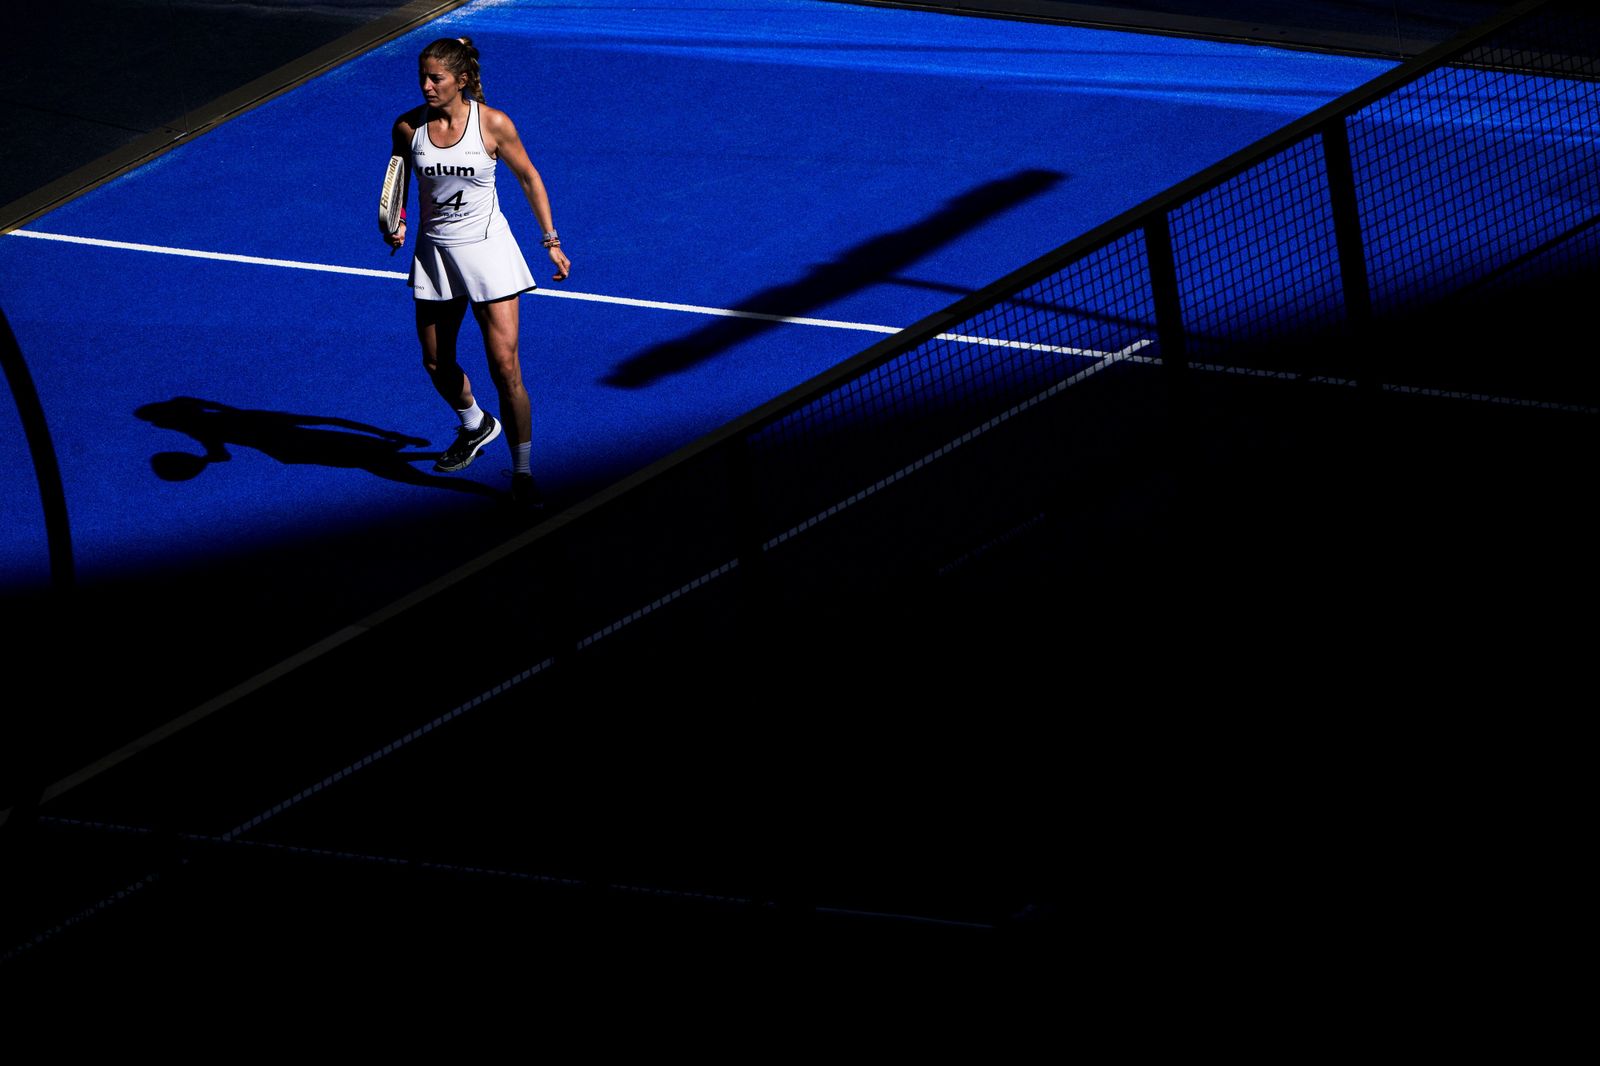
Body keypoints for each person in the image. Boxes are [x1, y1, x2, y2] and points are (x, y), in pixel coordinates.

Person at [384, 36, 570, 508]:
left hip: (488, 254)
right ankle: (476, 424)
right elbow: (398, 178)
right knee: (435, 362)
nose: (427, 86)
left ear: (461, 80)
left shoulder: (494, 125)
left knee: (505, 368)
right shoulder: (408, 127)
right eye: (423, 77)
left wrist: (551, 241)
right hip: (435, 255)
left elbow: (529, 177)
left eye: (436, 78)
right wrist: (399, 222)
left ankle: (523, 473)